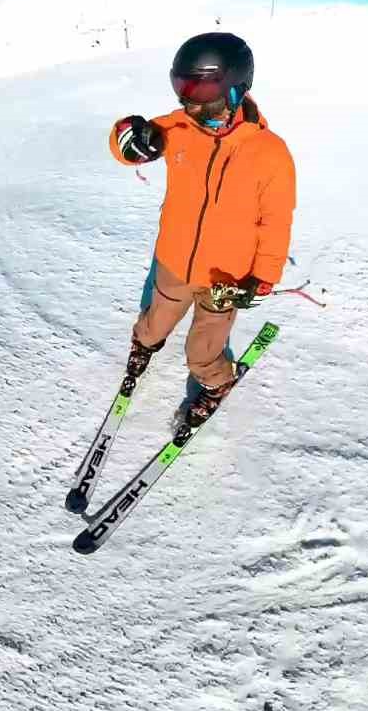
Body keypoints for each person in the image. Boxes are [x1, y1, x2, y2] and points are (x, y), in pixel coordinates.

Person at [109, 31, 296, 433]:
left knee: (202, 350)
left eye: (202, 94)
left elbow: (276, 220)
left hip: (224, 278)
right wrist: (129, 137)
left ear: (234, 91)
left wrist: (263, 277)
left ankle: (215, 382)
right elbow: (129, 143)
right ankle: (143, 346)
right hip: (174, 261)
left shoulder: (270, 153)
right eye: (183, 92)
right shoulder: (179, 128)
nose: (191, 104)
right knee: (155, 320)